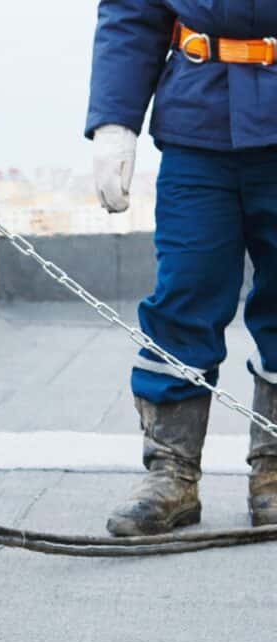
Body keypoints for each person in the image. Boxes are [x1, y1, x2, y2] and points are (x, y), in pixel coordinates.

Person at [87, 2, 277, 536]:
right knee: (184, 297)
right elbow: (132, 12)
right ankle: (171, 474)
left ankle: (275, 473)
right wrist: (114, 121)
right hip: (199, 127)